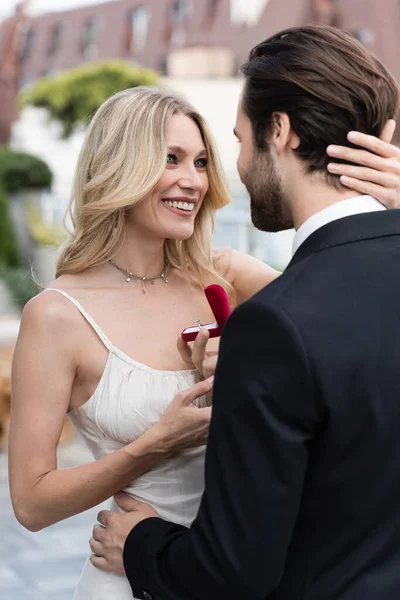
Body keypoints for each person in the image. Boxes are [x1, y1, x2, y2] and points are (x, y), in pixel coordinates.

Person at [8, 81, 399, 598]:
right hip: (133, 573)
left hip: (240, 571)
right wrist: (154, 444)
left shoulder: (223, 277)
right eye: (170, 158)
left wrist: (389, 212)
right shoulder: (57, 316)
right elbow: (32, 504)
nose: (192, 180)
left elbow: (351, 317)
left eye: (200, 162)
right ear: (119, 166)